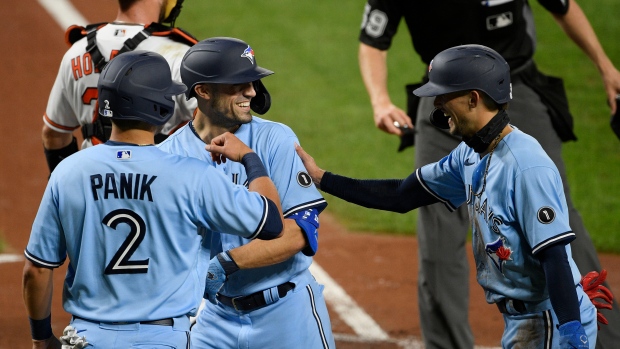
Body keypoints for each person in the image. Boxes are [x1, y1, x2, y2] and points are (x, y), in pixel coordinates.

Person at [296, 44, 607, 349]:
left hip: (550, 325)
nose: (437, 104)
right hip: (525, 322)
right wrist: (323, 178)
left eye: (444, 95)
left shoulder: (526, 166)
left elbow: (553, 254)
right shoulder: (469, 155)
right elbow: (401, 196)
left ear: (473, 98)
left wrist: (570, 322)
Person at [358, 1, 620, 347]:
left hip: (517, 87)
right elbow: (373, 39)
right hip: (445, 97)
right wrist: (379, 100)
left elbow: (563, 5)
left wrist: (606, 67)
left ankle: (607, 340)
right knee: (436, 236)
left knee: (558, 220)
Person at [22, 50, 286, 349]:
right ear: (160, 108)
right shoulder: (191, 175)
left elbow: (38, 269)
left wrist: (41, 338)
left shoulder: (68, 172)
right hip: (163, 340)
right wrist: (250, 158)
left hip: (87, 338)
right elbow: (272, 222)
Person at [157, 37, 336, 349]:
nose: (251, 92)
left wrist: (226, 263)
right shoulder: (168, 156)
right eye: (238, 84)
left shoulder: (275, 139)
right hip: (215, 318)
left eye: (251, 82)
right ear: (203, 90)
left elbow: (300, 233)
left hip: (286, 314)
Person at [41, 0, 198, 175]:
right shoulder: (181, 56)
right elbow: (215, 129)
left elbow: (53, 135)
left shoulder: (76, 51)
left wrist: (66, 187)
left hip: (94, 189)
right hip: (155, 192)